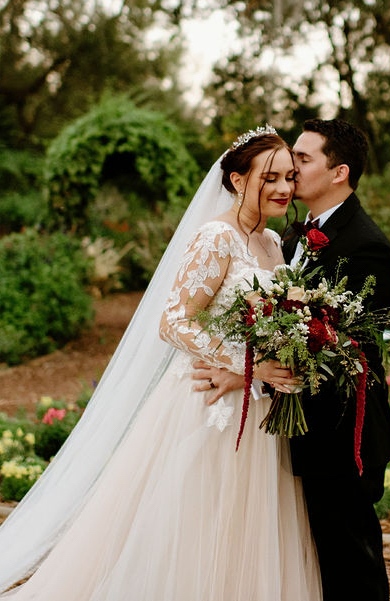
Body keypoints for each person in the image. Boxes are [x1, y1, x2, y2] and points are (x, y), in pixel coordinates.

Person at [0, 127, 322, 601]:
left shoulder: (274, 243)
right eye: (269, 177)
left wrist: (274, 360)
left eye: (290, 177)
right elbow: (173, 321)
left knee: (248, 523)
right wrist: (247, 364)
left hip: (258, 408)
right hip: (208, 404)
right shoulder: (216, 237)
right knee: (196, 520)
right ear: (236, 180)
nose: (283, 188)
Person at [284, 118, 390, 601]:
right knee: (318, 560)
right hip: (303, 426)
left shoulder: (367, 247)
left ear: (339, 172)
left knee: (352, 563)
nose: (290, 167)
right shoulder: (292, 236)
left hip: (340, 433)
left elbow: (351, 349)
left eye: (303, 158)